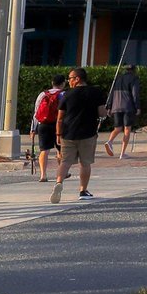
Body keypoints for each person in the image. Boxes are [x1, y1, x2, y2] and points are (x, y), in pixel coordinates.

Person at [52, 68, 104, 203]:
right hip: (88, 133)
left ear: (77, 79)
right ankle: (83, 190)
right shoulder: (96, 92)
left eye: (70, 78)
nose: (68, 81)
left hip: (68, 133)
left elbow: (60, 118)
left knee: (65, 162)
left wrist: (58, 133)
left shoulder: (66, 95)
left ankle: (59, 183)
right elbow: (102, 113)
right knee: (85, 163)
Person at [106, 65, 140, 158]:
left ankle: (109, 141)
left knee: (117, 128)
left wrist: (109, 106)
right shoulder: (134, 78)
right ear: (134, 70)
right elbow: (135, 93)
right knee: (127, 129)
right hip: (128, 106)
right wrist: (137, 107)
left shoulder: (118, 78)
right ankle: (122, 153)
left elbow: (112, 92)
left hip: (116, 106)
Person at [32, 80, 63, 178]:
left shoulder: (43, 94)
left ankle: (43, 175)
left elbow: (36, 111)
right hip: (58, 125)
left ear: (52, 83)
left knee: (44, 150)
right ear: (63, 83)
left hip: (43, 124)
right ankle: (62, 173)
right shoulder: (63, 94)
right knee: (60, 150)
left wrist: (33, 129)